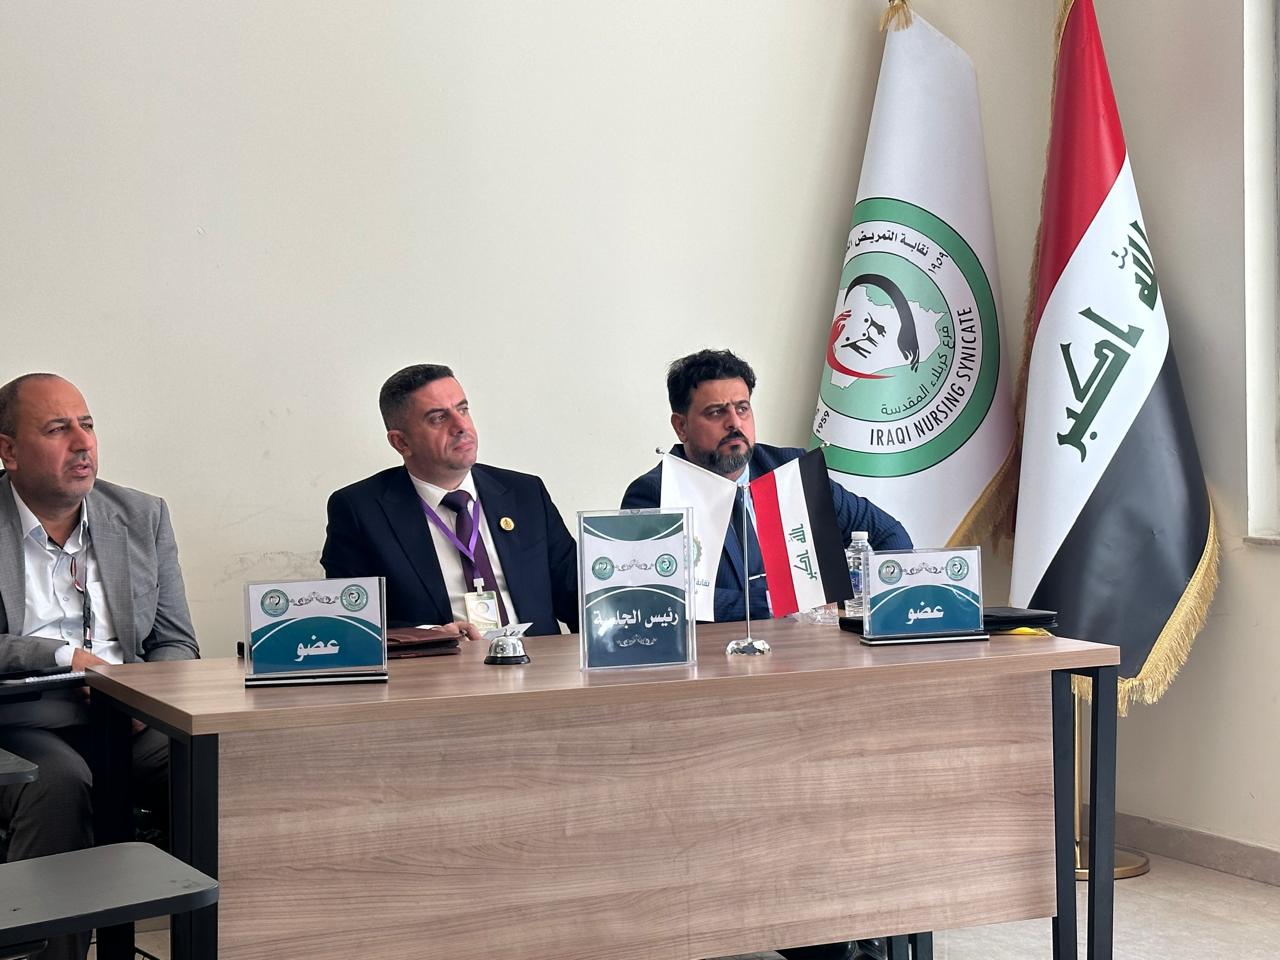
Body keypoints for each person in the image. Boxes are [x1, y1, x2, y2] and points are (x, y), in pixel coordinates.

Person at [0, 373, 199, 960]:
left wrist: (145, 693)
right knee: (57, 782)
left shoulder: (141, 514)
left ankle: (225, 940)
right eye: (56, 429)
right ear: (9, 449)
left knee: (215, 764)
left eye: (86, 425)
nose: (82, 443)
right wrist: (64, 657)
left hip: (127, 714)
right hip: (20, 717)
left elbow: (176, 641)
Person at [622, 348, 912, 623]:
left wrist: (856, 601)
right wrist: (776, 604)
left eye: (742, 408)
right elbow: (659, 596)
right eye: (716, 413)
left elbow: (889, 534)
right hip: (716, 653)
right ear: (681, 426)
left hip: (810, 646)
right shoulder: (655, 494)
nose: (735, 423)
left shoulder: (790, 470)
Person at [321, 364, 578, 637]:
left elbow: (576, 596)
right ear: (401, 443)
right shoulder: (359, 510)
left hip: (538, 659)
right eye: (438, 418)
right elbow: (353, 625)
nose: (461, 426)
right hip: (442, 662)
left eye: (463, 409)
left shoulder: (525, 493)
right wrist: (432, 636)